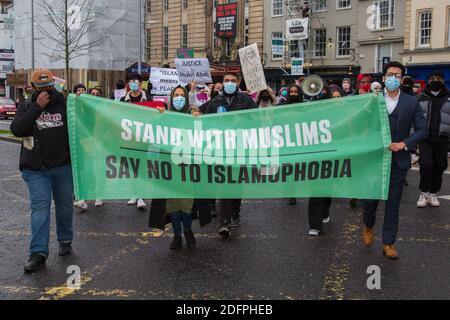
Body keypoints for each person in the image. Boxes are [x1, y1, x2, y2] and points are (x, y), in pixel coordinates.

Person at [10, 69, 74, 272]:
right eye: (41, 88)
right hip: (36, 169)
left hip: (63, 166)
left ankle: (65, 240)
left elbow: (83, 123)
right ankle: (38, 253)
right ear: (33, 88)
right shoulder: (27, 105)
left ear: (54, 85)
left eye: (49, 87)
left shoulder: (64, 103)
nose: (46, 91)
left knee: (65, 207)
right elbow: (17, 129)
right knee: (40, 208)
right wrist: (37, 107)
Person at [362, 61, 428, 259]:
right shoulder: (371, 101)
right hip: (374, 159)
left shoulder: (411, 102)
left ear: (402, 79)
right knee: (370, 201)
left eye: (397, 75)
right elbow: (361, 127)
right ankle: (368, 225)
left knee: (393, 204)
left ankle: (389, 243)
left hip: (398, 160)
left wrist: (404, 144)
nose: (393, 78)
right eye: (390, 74)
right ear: (383, 78)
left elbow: (423, 130)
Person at [193, 72, 257, 238]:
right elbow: (200, 115)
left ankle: (236, 212)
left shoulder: (247, 102)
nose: (229, 83)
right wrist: (197, 114)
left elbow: (257, 120)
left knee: (236, 184)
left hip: (240, 150)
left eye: (232, 81)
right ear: (222, 83)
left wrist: (242, 123)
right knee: (225, 184)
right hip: (220, 151)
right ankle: (225, 222)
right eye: (226, 81)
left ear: (238, 83)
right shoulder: (215, 102)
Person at [149, 85, 211, 249]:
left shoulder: (193, 116)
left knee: (187, 205)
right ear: (170, 97)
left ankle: (188, 231)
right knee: (173, 206)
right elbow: (154, 140)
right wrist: (159, 119)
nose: (178, 98)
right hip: (170, 169)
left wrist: (199, 118)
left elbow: (202, 138)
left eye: (181, 95)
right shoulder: (164, 116)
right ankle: (177, 235)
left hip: (188, 168)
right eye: (175, 95)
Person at [307, 87, 342, 235]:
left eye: (338, 97)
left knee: (327, 188)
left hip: (334, 156)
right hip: (317, 156)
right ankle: (314, 224)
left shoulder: (347, 114)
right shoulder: (315, 114)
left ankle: (325, 211)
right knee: (316, 188)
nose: (335, 100)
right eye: (332, 97)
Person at [416, 72, 450, 208]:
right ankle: (423, 193)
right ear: (428, 81)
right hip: (425, 137)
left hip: (443, 137)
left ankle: (433, 193)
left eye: (438, 79)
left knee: (440, 166)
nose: (436, 81)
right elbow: (415, 117)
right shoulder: (421, 97)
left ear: (443, 81)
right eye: (432, 79)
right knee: (425, 164)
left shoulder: (448, 97)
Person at [121, 74, 149, 209]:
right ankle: (134, 193)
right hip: (129, 139)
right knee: (132, 167)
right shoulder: (122, 100)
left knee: (142, 168)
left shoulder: (148, 98)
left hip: (143, 139)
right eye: (131, 81)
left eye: (136, 81)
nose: (133, 83)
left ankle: (141, 196)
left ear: (141, 83)